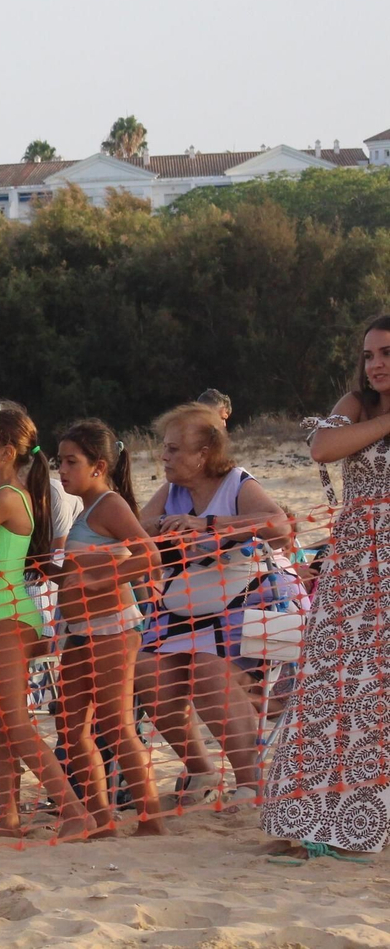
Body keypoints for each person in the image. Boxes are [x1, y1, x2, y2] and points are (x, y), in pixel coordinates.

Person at [264, 315, 390, 859]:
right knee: (335, 687)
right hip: (357, 564)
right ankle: (320, 817)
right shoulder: (358, 402)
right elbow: (323, 447)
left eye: (386, 352)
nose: (376, 363)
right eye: (368, 355)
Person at [0, 409, 93, 840]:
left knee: (14, 721)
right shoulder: (3, 499)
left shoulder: (5, 498)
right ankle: (8, 813)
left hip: (8, 617)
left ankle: (74, 810)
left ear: (7, 453)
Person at [135, 402, 287, 805]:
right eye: (163, 448)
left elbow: (279, 525)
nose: (163, 457)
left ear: (204, 455)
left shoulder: (237, 483)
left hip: (243, 603)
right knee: (146, 670)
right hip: (181, 605)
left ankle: (249, 781)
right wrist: (163, 529)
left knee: (206, 669)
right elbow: (136, 528)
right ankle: (200, 769)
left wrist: (207, 526)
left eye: (173, 450)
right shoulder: (172, 491)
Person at [53, 420, 163, 835]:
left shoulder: (110, 504)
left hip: (113, 626)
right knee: (69, 726)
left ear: (98, 465)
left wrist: (105, 579)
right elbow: (78, 570)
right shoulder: (85, 508)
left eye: (71, 461)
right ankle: (101, 819)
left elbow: (149, 555)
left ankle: (151, 819)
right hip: (81, 628)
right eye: (59, 460)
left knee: (115, 725)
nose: (61, 469)